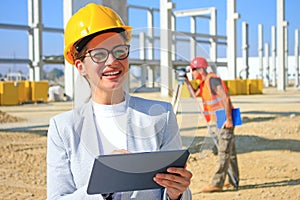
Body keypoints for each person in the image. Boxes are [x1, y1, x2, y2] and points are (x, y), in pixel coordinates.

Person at [47, 3, 192, 200]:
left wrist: (177, 193)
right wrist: (104, 186)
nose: (112, 61)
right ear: (80, 66)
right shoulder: (63, 128)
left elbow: (176, 192)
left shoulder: (161, 116)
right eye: (99, 54)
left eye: (119, 51)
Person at [189, 56, 239, 193]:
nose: (192, 74)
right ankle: (234, 180)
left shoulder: (212, 80)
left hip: (225, 120)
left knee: (223, 152)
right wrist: (186, 81)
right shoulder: (204, 83)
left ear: (199, 69)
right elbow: (193, 94)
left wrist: (228, 120)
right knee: (231, 152)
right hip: (219, 120)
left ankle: (217, 183)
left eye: (193, 70)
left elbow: (225, 98)